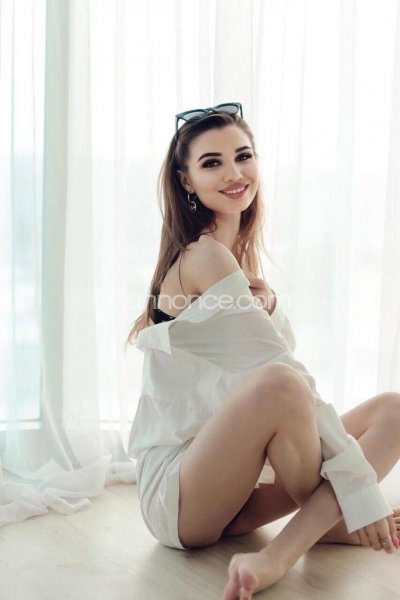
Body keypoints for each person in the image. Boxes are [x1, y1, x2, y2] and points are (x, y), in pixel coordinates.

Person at [125, 103, 400, 599]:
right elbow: (284, 380)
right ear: (186, 181)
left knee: (393, 410)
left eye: (243, 156)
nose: (234, 173)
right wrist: (359, 486)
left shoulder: (238, 265)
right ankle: (285, 552)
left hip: (241, 482)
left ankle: (325, 523)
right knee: (282, 382)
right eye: (212, 162)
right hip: (181, 496)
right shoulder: (203, 257)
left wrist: (267, 301)